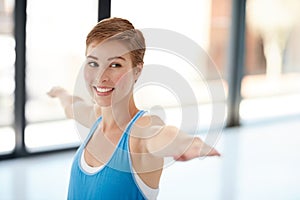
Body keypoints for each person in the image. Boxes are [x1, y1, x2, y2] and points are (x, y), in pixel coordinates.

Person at [48, 17, 220, 200]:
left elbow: (161, 135)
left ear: (137, 71)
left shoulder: (139, 135)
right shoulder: (96, 119)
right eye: (93, 63)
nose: (100, 76)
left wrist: (186, 142)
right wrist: (60, 93)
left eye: (115, 65)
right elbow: (72, 107)